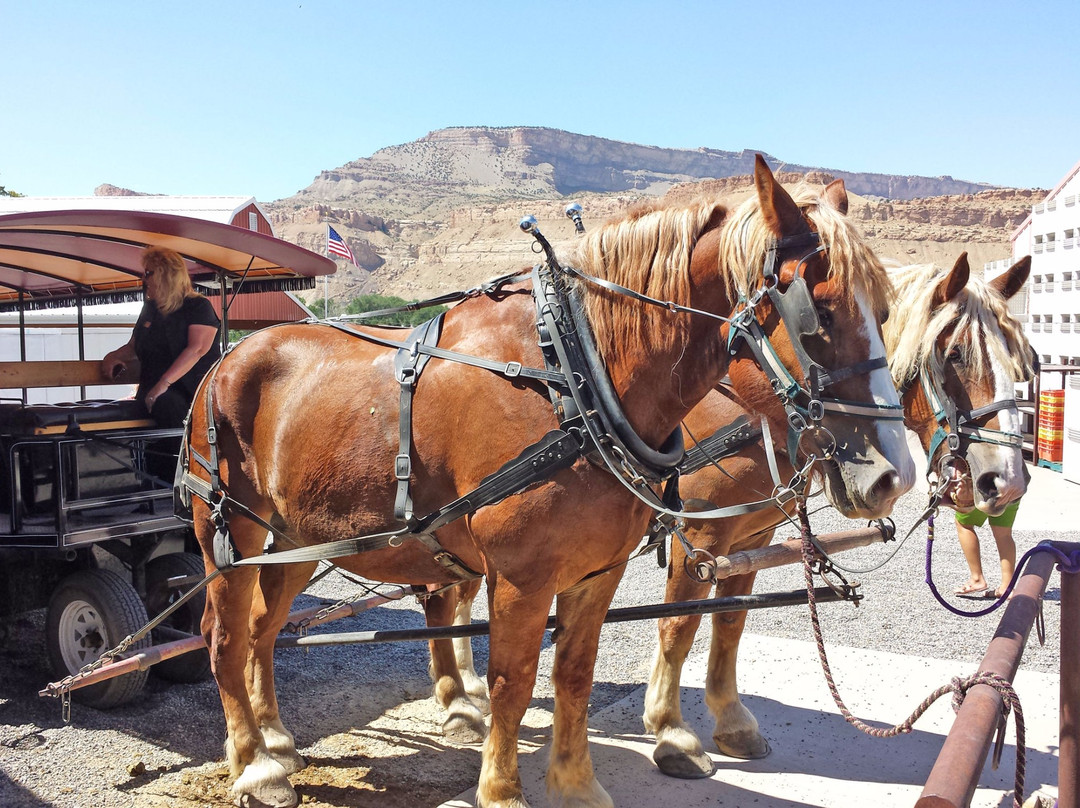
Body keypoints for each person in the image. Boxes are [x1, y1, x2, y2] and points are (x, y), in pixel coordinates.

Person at [101, 246, 221, 482]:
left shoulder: (198, 306)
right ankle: (154, 480)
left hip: (191, 391)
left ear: (167, 274)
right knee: (158, 406)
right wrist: (112, 356)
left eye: (149, 273)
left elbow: (196, 349)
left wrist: (163, 384)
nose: (143, 279)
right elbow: (134, 345)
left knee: (169, 406)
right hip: (154, 390)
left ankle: (186, 479)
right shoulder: (150, 309)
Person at [953, 499, 1020, 599]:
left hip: (981, 488)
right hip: (1011, 487)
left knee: (964, 525)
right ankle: (1007, 587)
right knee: (1004, 534)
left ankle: (977, 578)